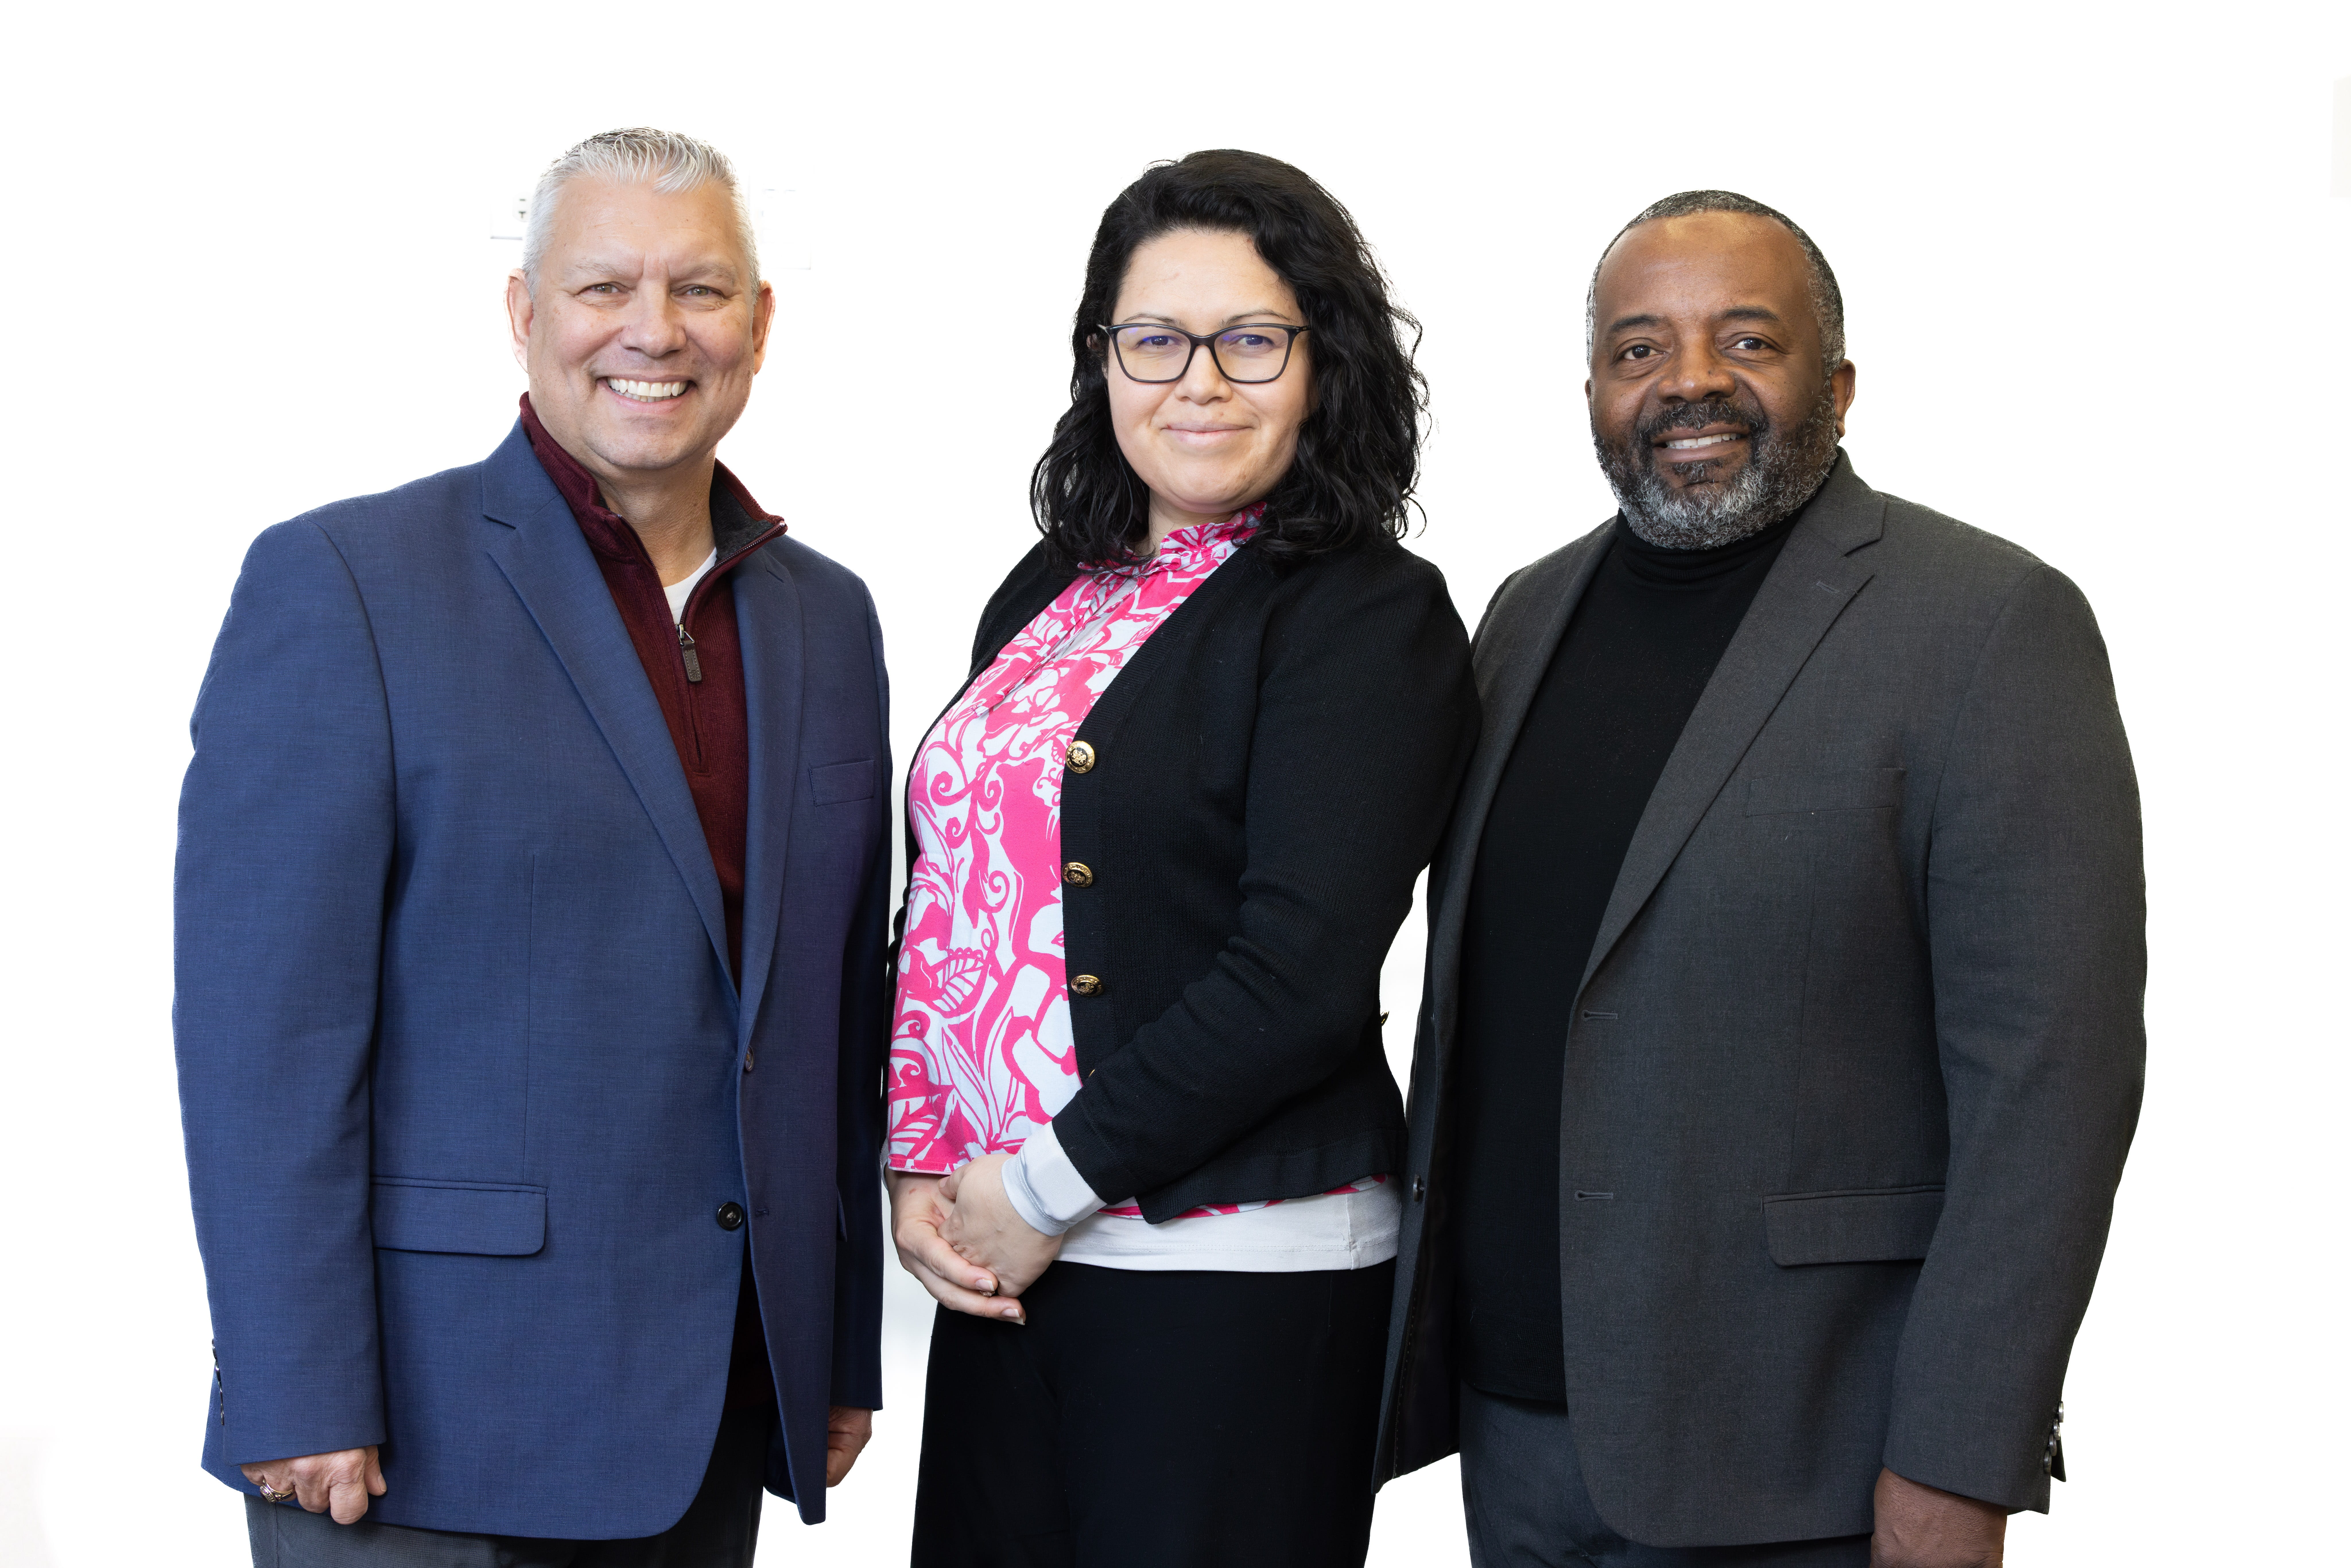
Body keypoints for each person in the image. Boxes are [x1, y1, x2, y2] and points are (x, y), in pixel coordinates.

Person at [1377, 192, 2145, 1567]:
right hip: (1515, 1430)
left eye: (1745, 340)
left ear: (1835, 385)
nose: (1687, 382)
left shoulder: (1986, 622)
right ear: (1591, 391)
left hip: (1805, 1449)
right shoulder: (1520, 615)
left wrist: (1960, 1454)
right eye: (1637, 349)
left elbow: (2048, 1084)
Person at [174, 128, 890, 1565]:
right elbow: (265, 1033)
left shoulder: (826, 617)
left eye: (699, 289)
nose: (653, 331)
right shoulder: (347, 583)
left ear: (758, 324)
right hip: (426, 1428)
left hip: (713, 1407)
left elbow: (834, 1016)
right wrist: (296, 1378)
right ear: (523, 312)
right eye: (603, 287)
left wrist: (832, 1344)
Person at [883, 149, 1476, 1568]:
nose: (1197, 382)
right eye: (1154, 340)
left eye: (1250, 340)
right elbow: (959, 905)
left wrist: (1039, 1188)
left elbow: (1298, 975)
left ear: (1322, 363)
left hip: (1227, 1270)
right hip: (1005, 1265)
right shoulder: (1052, 587)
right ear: (1101, 359)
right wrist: (922, 1166)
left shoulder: (1366, 617)